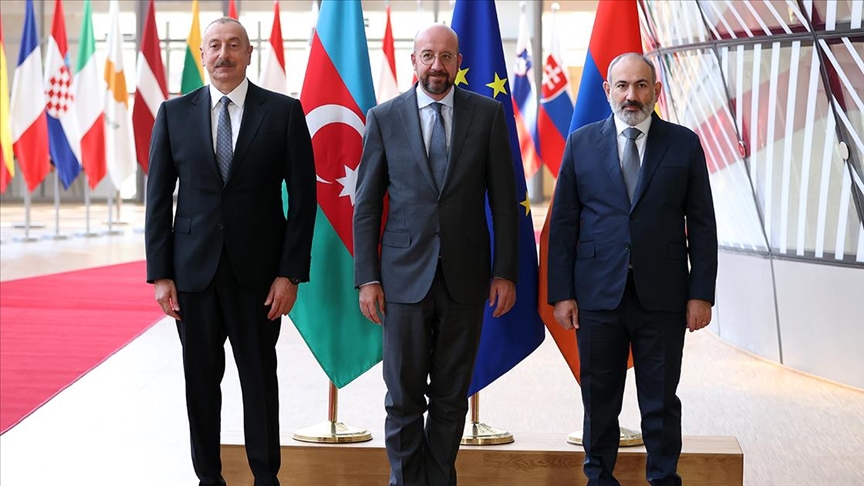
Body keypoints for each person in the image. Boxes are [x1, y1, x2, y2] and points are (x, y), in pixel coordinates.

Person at [144, 17, 316, 486]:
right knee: (200, 384)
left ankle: (265, 477)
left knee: (259, 382)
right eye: (215, 46)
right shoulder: (173, 114)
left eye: (234, 45)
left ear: (248, 54)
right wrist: (161, 274)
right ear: (203, 55)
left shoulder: (283, 112)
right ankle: (209, 478)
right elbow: (157, 200)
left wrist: (290, 274)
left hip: (260, 279)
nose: (224, 54)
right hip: (192, 277)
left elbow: (304, 201)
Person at [353, 24, 519, 486]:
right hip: (402, 279)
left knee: (450, 396)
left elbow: (504, 201)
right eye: (427, 55)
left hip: (466, 279)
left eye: (446, 56)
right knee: (402, 397)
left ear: (459, 62)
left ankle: (440, 479)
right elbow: (366, 205)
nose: (437, 65)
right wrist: (367, 277)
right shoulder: (384, 117)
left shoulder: (487, 114)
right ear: (414, 61)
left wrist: (505, 272)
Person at [547, 52, 718, 486]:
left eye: (641, 85)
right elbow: (564, 224)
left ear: (656, 91)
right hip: (597, 297)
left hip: (663, 297)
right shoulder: (581, 143)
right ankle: (599, 478)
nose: (631, 95)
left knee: (660, 402)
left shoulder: (684, 144)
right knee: (599, 400)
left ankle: (663, 478)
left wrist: (701, 294)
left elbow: (702, 225)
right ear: (608, 91)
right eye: (622, 85)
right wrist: (562, 294)